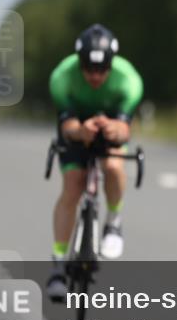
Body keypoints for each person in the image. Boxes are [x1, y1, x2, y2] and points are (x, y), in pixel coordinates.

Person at [46, 24, 143, 301]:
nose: (95, 75)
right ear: (80, 63)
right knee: (73, 186)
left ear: (112, 65)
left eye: (102, 70)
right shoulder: (62, 77)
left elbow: (126, 130)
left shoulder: (129, 80)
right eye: (89, 68)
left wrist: (115, 129)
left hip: (111, 123)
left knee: (113, 166)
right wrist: (80, 132)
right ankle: (58, 263)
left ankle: (113, 221)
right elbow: (66, 125)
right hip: (76, 126)